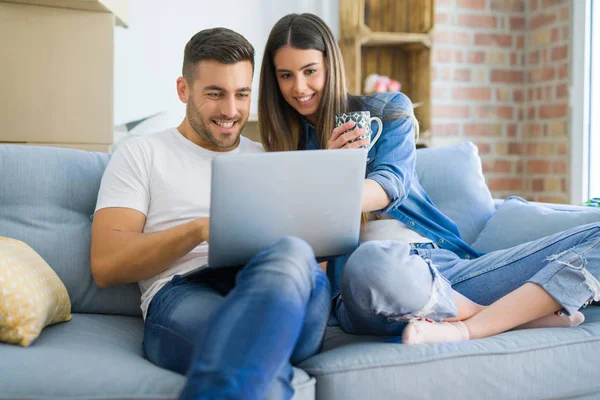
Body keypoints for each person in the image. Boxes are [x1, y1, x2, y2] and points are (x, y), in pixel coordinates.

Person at [258, 13, 598, 345]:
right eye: (286, 75)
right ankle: (497, 317)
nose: (299, 87)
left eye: (310, 71)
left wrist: (340, 177)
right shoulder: (283, 153)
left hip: (445, 269)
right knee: (371, 262)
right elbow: (303, 253)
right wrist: (330, 170)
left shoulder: (387, 111)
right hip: (369, 287)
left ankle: (468, 326)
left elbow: (390, 185)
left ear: (330, 67)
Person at [90, 27, 330, 400]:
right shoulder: (143, 153)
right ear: (184, 90)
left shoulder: (269, 158)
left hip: (277, 286)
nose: (231, 111)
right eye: (215, 94)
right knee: (251, 350)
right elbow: (106, 265)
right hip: (184, 292)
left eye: (242, 94)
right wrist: (200, 230)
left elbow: (309, 267)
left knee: (292, 252)